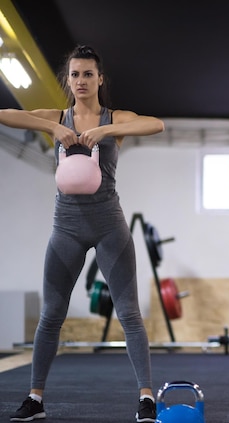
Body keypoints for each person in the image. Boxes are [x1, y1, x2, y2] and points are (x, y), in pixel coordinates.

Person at [0, 45, 164, 422]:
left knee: (129, 315)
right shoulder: (57, 116)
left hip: (109, 225)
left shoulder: (114, 117)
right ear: (68, 80)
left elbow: (157, 124)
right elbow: (6, 115)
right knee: (51, 315)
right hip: (66, 227)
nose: (81, 80)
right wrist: (52, 127)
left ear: (100, 78)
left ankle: (146, 399)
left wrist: (107, 129)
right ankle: (35, 399)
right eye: (75, 74)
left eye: (88, 74)